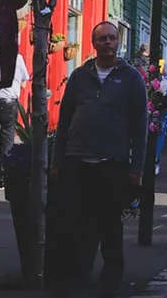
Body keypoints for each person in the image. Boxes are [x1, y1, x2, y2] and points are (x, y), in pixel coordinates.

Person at [51, 22, 148, 298]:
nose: (108, 42)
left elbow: (140, 125)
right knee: (78, 223)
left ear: (118, 43)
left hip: (112, 163)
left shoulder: (130, 78)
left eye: (112, 38)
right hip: (78, 161)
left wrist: (136, 167)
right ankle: (79, 276)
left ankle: (111, 280)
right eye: (103, 38)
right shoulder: (80, 76)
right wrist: (58, 162)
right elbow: (65, 120)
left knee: (109, 225)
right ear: (94, 44)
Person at [0, 42, 30, 186]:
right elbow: (24, 82)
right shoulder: (18, 59)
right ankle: (2, 174)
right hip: (8, 102)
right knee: (7, 137)